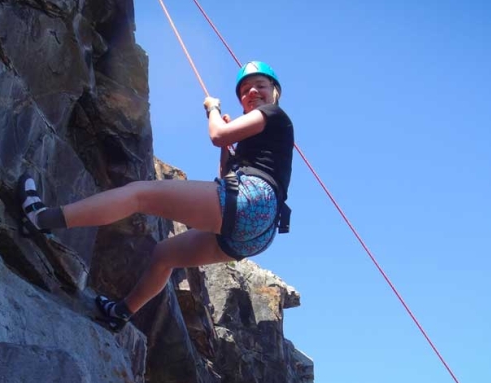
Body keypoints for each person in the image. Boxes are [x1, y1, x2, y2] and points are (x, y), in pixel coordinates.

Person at [17, 61, 294, 331]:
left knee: (140, 194)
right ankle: (120, 314)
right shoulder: (260, 138)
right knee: (164, 255)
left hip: (252, 201)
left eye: (260, 85)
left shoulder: (273, 114)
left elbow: (217, 135)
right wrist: (227, 149)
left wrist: (213, 109)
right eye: (245, 90)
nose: (252, 92)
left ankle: (41, 219)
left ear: (274, 91)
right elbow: (225, 179)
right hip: (257, 232)